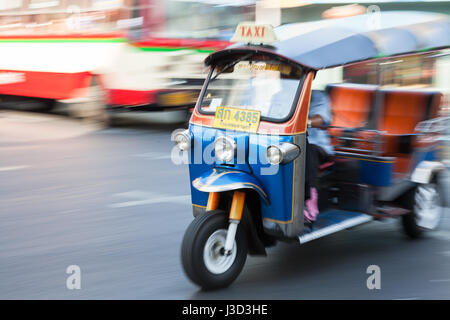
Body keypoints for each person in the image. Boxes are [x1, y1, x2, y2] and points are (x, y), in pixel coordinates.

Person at [304, 89, 334, 227]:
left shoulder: (318, 96)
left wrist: (305, 122)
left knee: (308, 149)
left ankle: (310, 202)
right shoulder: (280, 95)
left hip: (317, 146)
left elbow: (320, 119)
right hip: (289, 143)